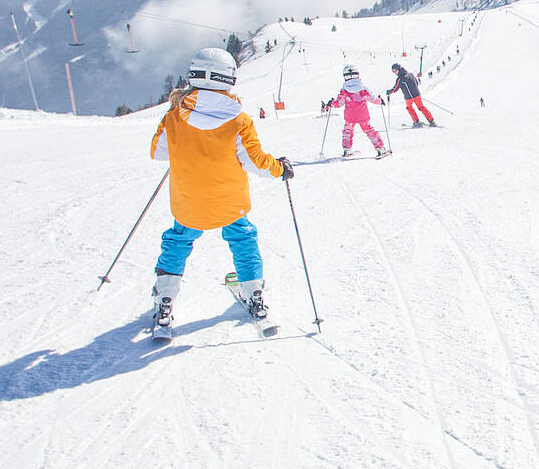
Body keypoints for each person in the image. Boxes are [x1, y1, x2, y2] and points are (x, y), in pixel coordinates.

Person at [148, 48, 293, 331]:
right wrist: (279, 167)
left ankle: (165, 296)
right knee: (242, 237)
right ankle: (254, 292)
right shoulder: (238, 119)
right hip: (230, 203)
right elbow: (256, 163)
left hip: (189, 203)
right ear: (229, 79)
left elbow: (158, 152)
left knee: (179, 239)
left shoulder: (176, 115)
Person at [323, 65, 389, 158]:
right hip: (363, 115)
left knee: (347, 132)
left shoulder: (344, 90)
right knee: (369, 130)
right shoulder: (363, 88)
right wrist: (380, 101)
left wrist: (332, 103)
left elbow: (339, 103)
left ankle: (347, 150)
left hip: (350, 117)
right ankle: (380, 148)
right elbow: (372, 98)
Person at [387, 62, 436, 127]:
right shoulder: (411, 74)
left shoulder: (400, 79)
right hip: (417, 94)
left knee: (409, 107)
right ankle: (431, 120)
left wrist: (389, 92)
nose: (394, 73)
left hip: (409, 97)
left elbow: (395, 89)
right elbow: (416, 82)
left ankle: (416, 122)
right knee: (421, 107)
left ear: (398, 69)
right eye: (393, 71)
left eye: (395, 71)